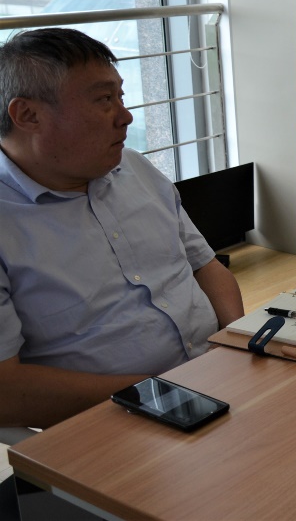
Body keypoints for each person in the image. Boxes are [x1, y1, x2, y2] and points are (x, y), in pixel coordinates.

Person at [0, 28, 244, 429]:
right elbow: (6, 392)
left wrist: (237, 340)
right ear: (28, 115)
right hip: (114, 419)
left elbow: (205, 266)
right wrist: (161, 391)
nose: (125, 116)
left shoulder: (135, 168)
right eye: (103, 100)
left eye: (121, 97)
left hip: (218, 376)